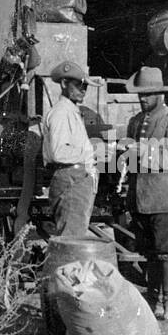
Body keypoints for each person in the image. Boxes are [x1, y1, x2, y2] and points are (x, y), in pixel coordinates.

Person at [122, 66, 168, 322]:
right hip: (141, 199)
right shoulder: (135, 122)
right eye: (140, 94)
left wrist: (141, 151)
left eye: (148, 94)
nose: (143, 98)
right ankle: (153, 301)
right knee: (150, 253)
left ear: (160, 94)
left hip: (166, 199)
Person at [40, 61, 97, 237]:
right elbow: (59, 152)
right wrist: (93, 152)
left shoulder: (71, 111)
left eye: (85, 86)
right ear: (64, 83)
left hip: (76, 179)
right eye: (78, 85)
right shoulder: (61, 113)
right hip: (71, 180)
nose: (83, 90)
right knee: (72, 239)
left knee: (73, 237)